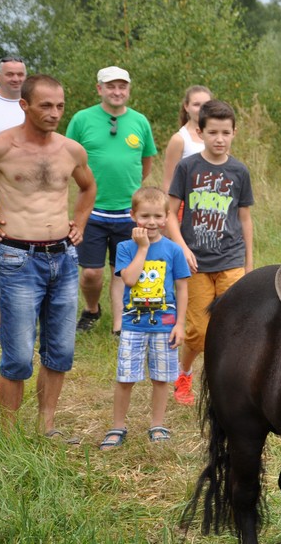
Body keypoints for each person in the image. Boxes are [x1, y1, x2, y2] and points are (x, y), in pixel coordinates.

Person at [0, 74, 96, 436]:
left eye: (60, 106)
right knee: (18, 356)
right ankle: (8, 434)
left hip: (65, 259)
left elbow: (88, 187)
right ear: (24, 105)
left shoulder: (70, 150)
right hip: (16, 259)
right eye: (46, 106)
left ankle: (45, 425)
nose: (55, 113)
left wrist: (79, 223)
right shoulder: (1, 147)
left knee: (60, 351)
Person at [165, 100, 253, 406]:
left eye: (225, 132)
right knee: (200, 332)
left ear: (234, 133)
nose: (219, 138)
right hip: (196, 263)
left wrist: (248, 263)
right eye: (212, 132)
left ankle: (227, 383)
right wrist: (182, 247)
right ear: (200, 132)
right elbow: (169, 213)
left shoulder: (239, 170)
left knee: (233, 327)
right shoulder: (188, 168)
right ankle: (184, 374)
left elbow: (244, 218)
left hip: (231, 261)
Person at [66, 66, 157, 335]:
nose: (117, 92)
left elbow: (147, 160)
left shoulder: (139, 121)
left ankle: (119, 325)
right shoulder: (82, 119)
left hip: (128, 213)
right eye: (111, 86)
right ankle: (92, 309)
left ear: (128, 90)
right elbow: (66, 155)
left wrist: (131, 186)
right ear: (99, 89)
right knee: (91, 273)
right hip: (92, 211)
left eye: (122, 87)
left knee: (122, 270)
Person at [99, 187, 189, 450]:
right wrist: (142, 248)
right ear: (133, 215)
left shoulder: (173, 250)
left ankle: (157, 424)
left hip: (165, 325)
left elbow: (183, 287)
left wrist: (180, 324)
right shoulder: (126, 247)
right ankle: (118, 425)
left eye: (157, 216)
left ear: (166, 217)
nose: (151, 222)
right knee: (126, 377)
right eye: (145, 216)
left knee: (161, 377)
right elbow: (128, 278)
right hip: (132, 324)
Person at [0, 55, 28, 343]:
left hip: (25, 191)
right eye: (10, 74)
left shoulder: (29, 106)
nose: (16, 78)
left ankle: (19, 310)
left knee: (16, 246)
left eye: (20, 74)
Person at [160, 85, 211, 193]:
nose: (202, 109)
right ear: (186, 106)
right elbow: (168, 182)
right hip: (187, 202)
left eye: (206, 105)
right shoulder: (179, 139)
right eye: (196, 105)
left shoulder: (219, 137)